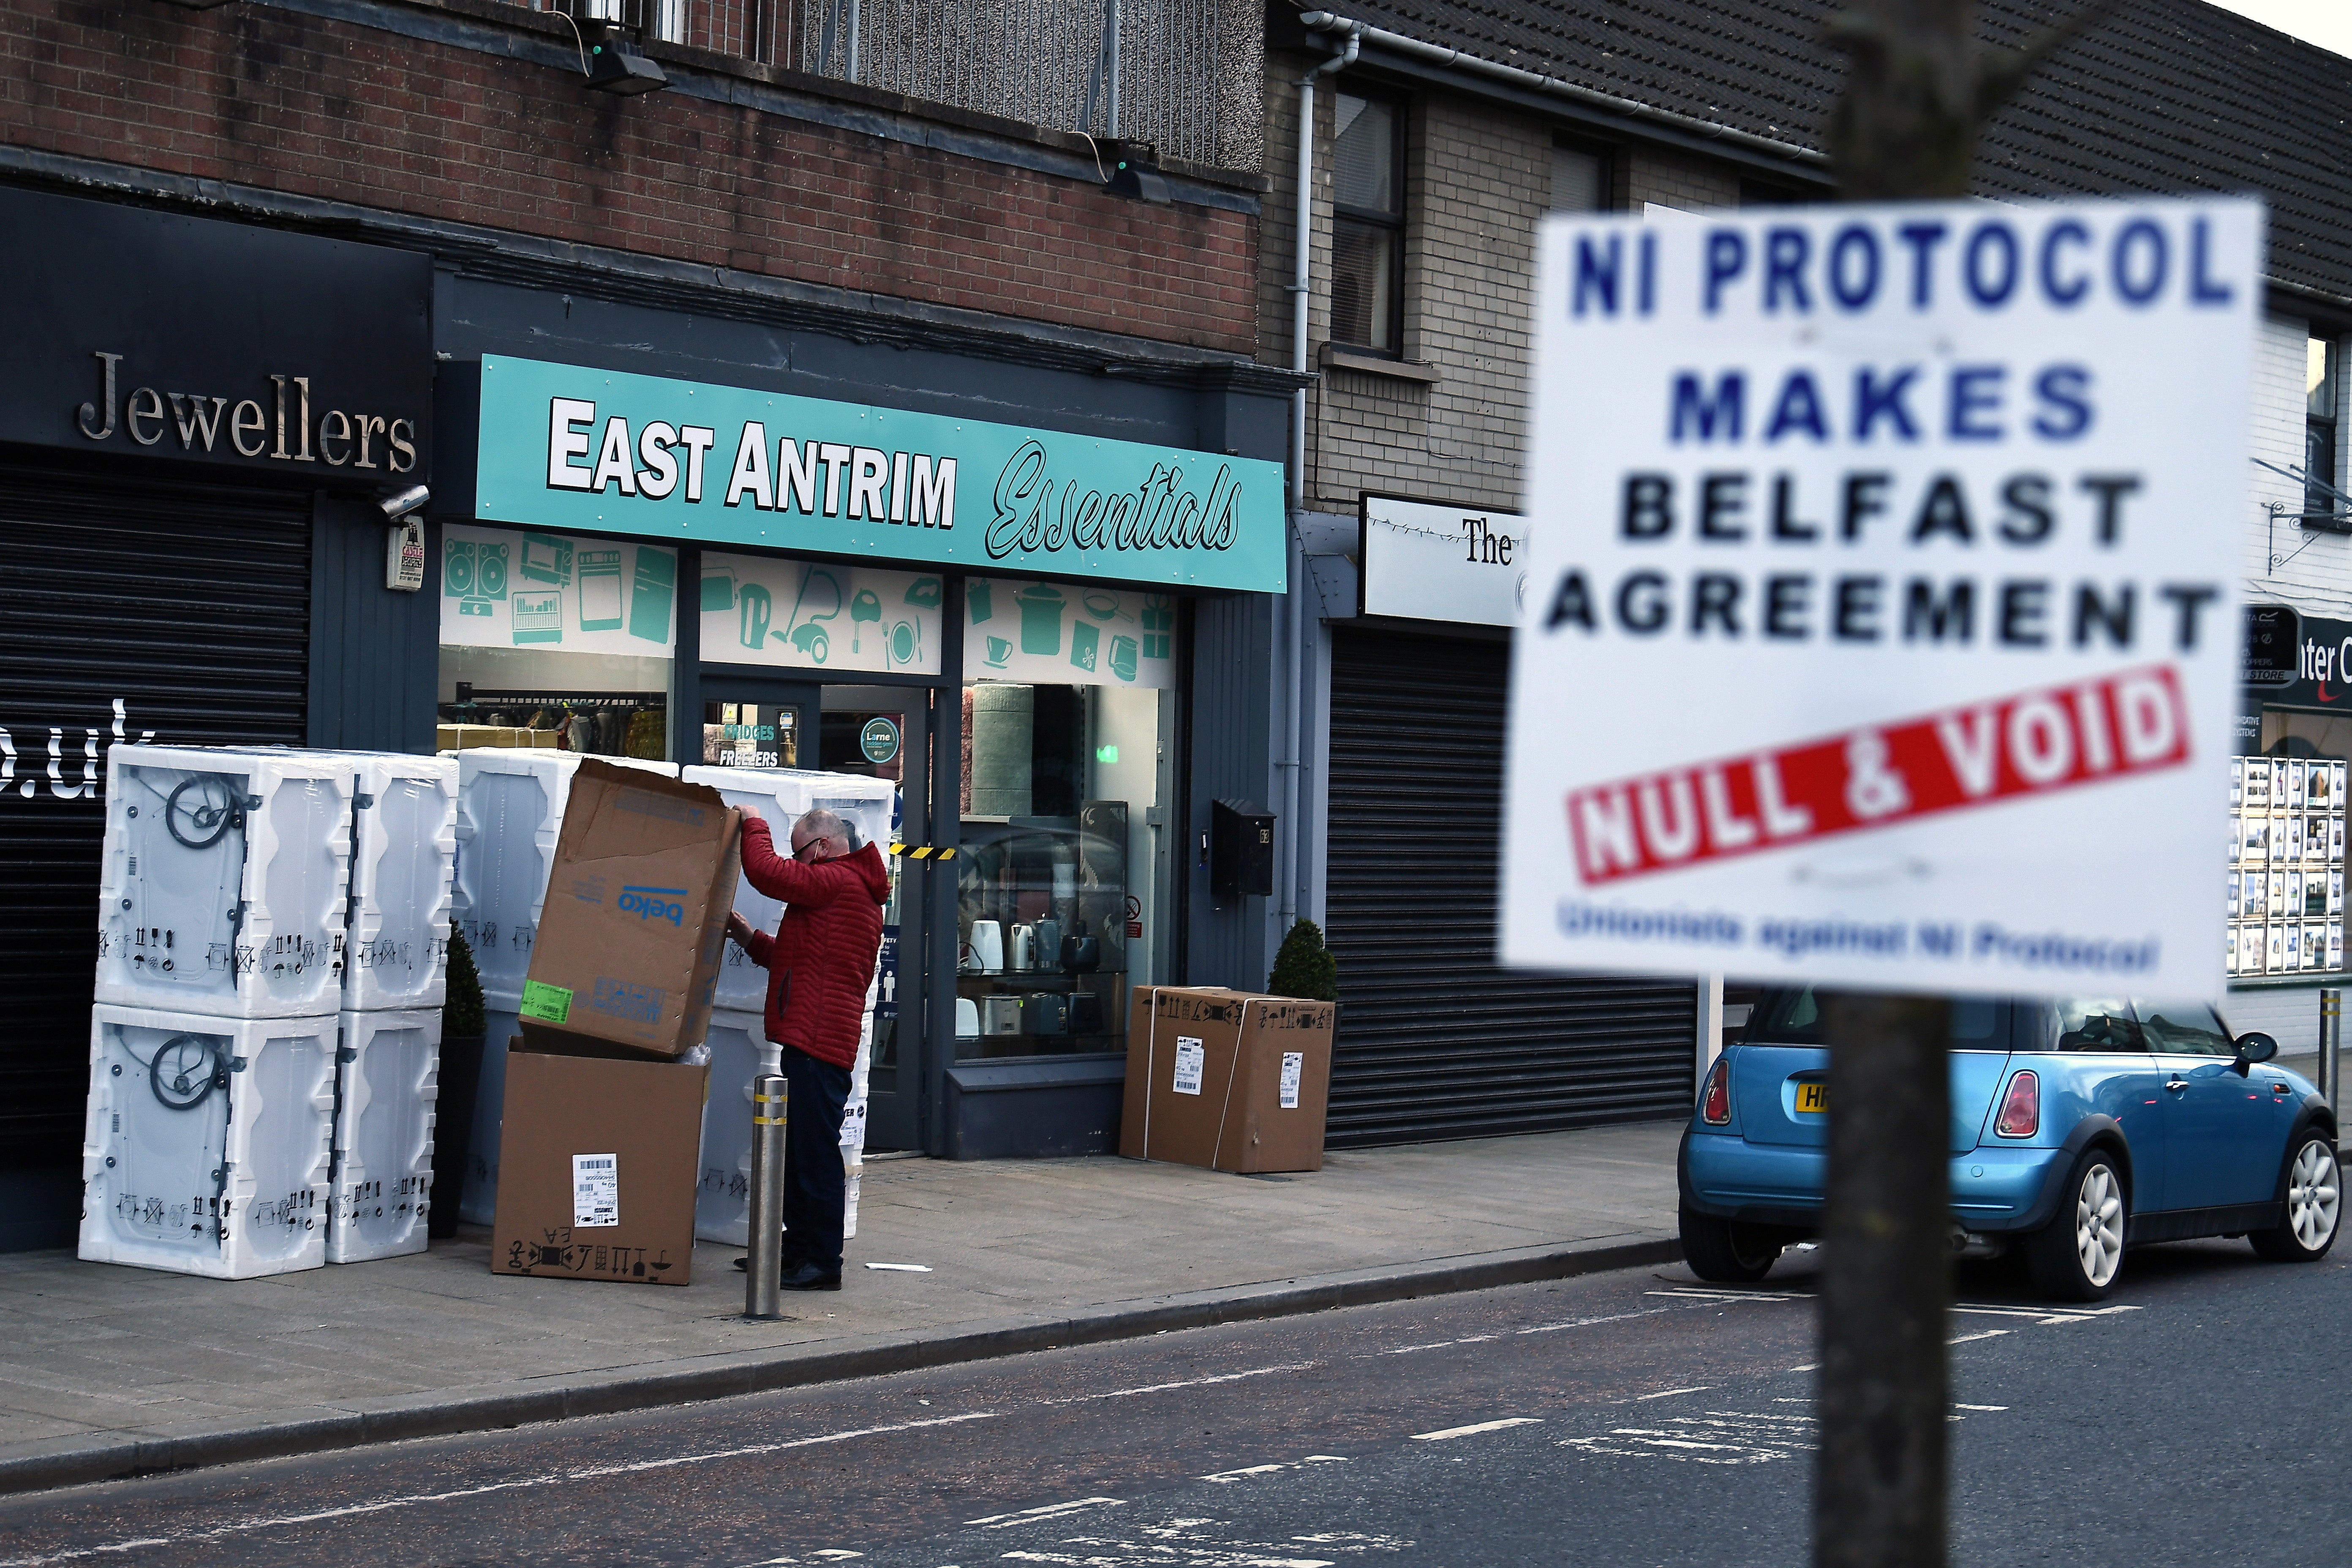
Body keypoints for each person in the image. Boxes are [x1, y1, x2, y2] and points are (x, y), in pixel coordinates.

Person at [725, 804, 890, 1290]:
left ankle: (822, 1262)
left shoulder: (837, 881)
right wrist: (748, 937)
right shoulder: (841, 892)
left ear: (820, 846)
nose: (795, 862)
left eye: (798, 851)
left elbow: (765, 871)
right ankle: (797, 1250)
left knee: (814, 1156)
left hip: (820, 1042)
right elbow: (796, 959)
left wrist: (753, 820)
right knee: (800, 1153)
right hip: (814, 1038)